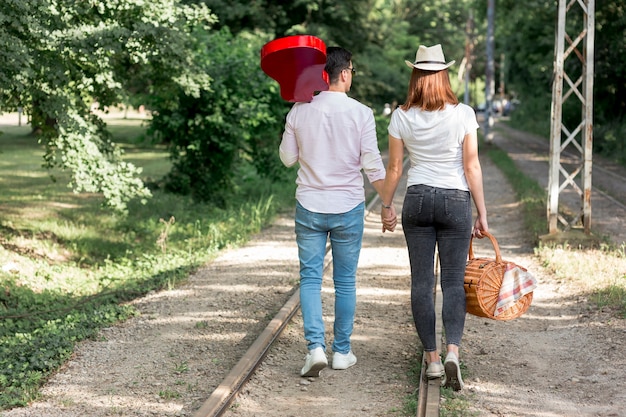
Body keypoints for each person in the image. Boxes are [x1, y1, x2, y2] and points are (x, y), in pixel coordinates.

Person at [379, 44, 488, 391]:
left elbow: (395, 167)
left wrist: (386, 204)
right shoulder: (464, 113)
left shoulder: (401, 115)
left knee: (421, 283)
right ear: (443, 75)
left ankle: (433, 360)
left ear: (415, 75)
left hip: (418, 199)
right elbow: (471, 166)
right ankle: (453, 349)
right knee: (454, 282)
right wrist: (482, 213)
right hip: (456, 200)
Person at [279, 46, 386, 377]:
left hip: (309, 205)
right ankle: (341, 351)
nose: (352, 75)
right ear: (343, 73)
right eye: (352, 70)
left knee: (310, 278)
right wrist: (388, 202)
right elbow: (372, 164)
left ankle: (314, 349)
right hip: (348, 207)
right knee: (345, 281)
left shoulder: (299, 110)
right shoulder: (362, 113)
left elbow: (287, 158)